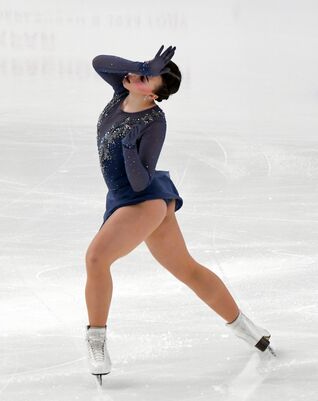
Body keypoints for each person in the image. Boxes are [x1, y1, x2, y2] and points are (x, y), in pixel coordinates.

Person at [85, 45, 275, 386]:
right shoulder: (119, 94)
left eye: (144, 78)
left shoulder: (154, 121)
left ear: (156, 94)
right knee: (187, 269)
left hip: (143, 201)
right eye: (138, 72)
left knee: (97, 259)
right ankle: (251, 331)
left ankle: (96, 343)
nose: (133, 76)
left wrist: (129, 148)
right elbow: (100, 62)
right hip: (123, 198)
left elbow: (141, 180)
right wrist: (142, 66)